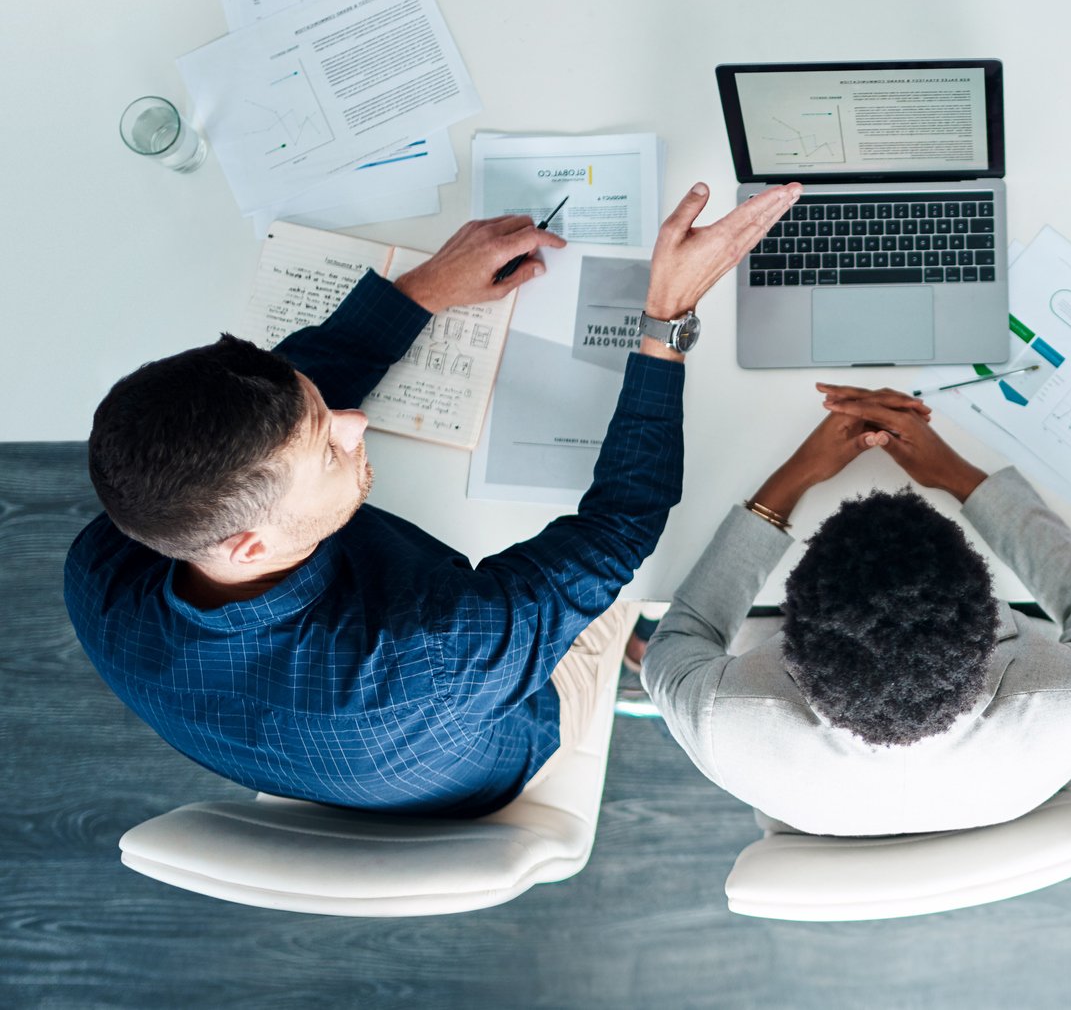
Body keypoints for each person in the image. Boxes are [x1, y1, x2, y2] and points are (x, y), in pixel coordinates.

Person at [65, 181, 798, 817]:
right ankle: (624, 667)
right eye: (329, 451)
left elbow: (278, 406)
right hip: (494, 743)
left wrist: (425, 287)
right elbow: (622, 525)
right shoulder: (437, 655)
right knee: (626, 600)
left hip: (334, 755)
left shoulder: (111, 554)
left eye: (325, 409)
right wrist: (666, 316)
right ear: (248, 545)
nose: (356, 425)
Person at [640, 384, 1071, 837]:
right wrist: (958, 476)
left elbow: (682, 638)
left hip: (818, 807)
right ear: (990, 618)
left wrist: (792, 479)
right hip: (998, 793)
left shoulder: (722, 720)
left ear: (794, 631)